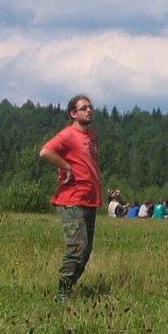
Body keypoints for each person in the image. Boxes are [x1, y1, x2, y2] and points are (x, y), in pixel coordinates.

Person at [39, 95, 102, 303]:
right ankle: (62, 293)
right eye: (84, 108)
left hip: (90, 199)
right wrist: (66, 166)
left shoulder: (91, 134)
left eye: (90, 107)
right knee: (78, 248)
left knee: (85, 251)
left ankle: (68, 288)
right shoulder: (67, 134)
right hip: (71, 199)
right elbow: (45, 151)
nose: (89, 110)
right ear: (73, 114)